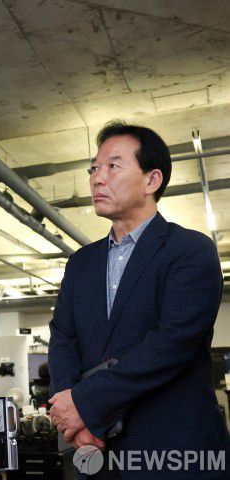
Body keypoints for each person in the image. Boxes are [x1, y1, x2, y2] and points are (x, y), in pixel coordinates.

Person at [48, 122, 230, 478]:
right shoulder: (81, 263)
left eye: (113, 166)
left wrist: (84, 403)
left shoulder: (190, 250)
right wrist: (74, 419)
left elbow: (171, 344)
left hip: (173, 454)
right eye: (94, 169)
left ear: (152, 180)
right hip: (95, 452)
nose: (97, 179)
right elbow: (63, 338)